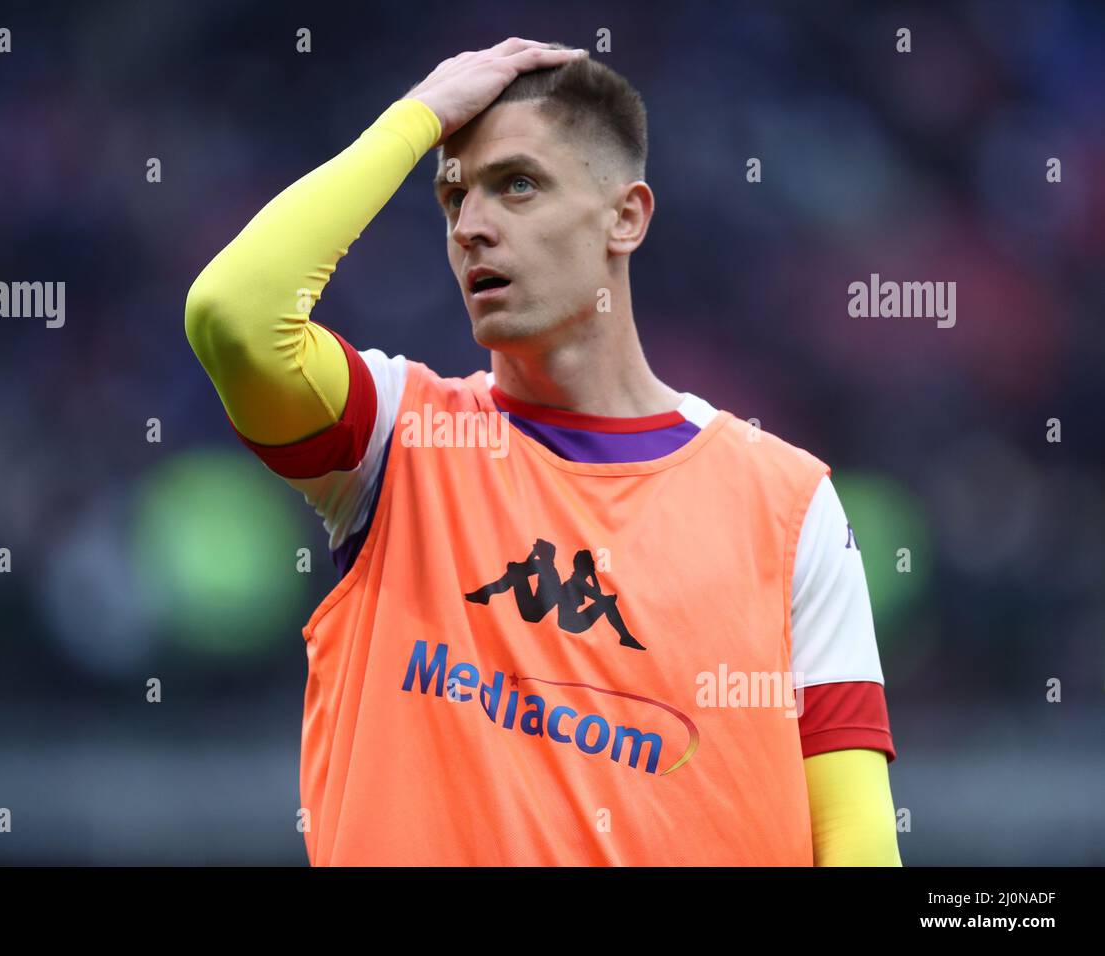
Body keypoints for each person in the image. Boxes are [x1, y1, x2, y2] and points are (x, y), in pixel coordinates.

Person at [185, 38, 901, 866]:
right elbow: (235, 315)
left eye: (516, 185)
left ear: (625, 217)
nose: (473, 227)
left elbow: (854, 836)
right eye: (453, 199)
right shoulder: (395, 440)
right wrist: (414, 120)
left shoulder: (788, 503)